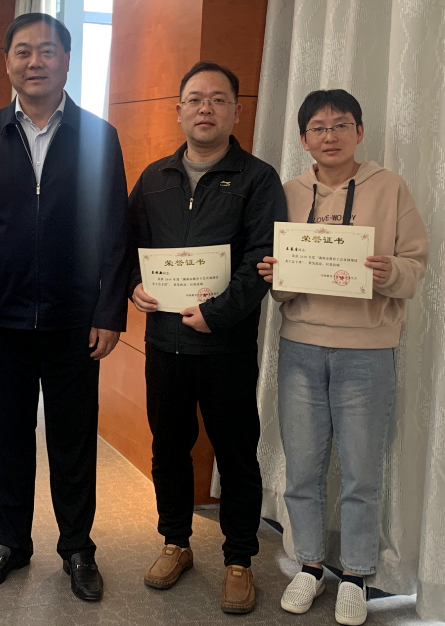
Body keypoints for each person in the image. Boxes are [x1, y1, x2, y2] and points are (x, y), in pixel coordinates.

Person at [0, 13, 129, 602]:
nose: (35, 62)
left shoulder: (99, 135)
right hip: (0, 320)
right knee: (6, 438)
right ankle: (10, 542)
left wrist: (109, 312)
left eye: (47, 51)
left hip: (74, 320)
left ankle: (77, 547)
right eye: (23, 51)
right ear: (7, 62)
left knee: (74, 441)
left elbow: (115, 231)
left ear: (67, 61)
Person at [257, 89, 428, 626]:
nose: (329, 136)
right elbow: (278, 280)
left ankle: (355, 576)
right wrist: (276, 277)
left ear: (359, 132)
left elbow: (416, 267)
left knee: (361, 473)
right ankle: (309, 565)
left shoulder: (390, 187)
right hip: (300, 345)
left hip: (368, 351)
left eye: (340, 125)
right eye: (318, 128)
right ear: (303, 138)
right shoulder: (287, 193)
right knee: (302, 467)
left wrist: (390, 272)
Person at [128, 61, 287, 615]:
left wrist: (217, 314)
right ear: (179, 110)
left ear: (236, 112)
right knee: (168, 448)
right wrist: (134, 286)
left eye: (218, 100)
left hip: (226, 345)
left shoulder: (258, 179)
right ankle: (175, 542)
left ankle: (239, 559)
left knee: (237, 454)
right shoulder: (154, 178)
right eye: (195, 99)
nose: (205, 109)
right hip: (164, 342)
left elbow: (263, 259)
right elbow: (129, 247)